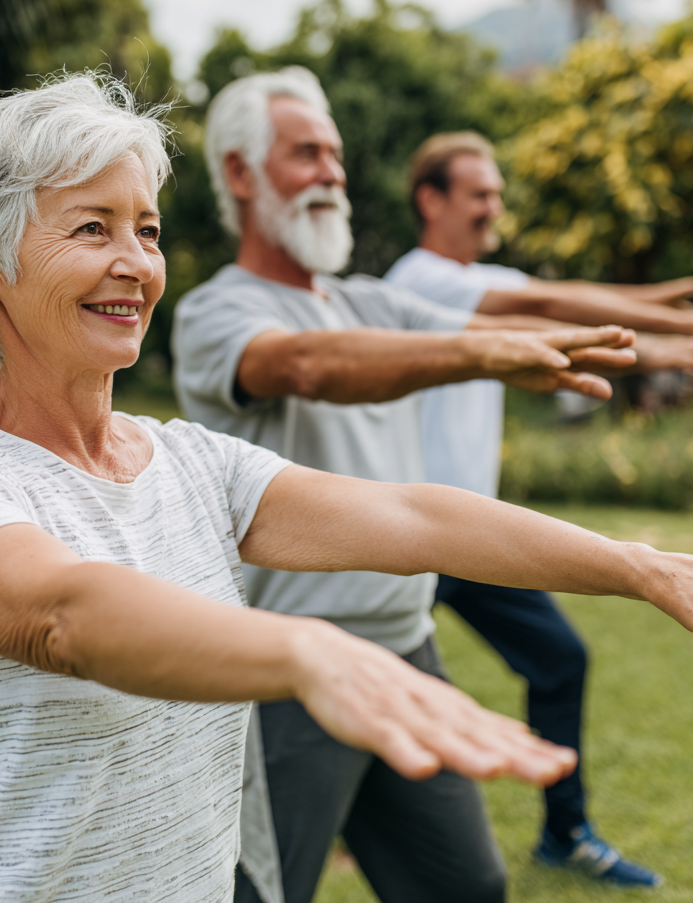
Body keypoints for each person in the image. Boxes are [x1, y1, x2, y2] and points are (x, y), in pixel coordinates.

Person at [0, 72, 693, 903]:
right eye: (92, 228)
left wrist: (643, 567)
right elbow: (64, 618)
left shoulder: (193, 464)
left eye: (146, 230)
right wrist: (309, 650)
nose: (136, 264)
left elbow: (411, 515)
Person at [170, 67, 651, 903]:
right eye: (307, 153)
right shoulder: (218, 311)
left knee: (465, 886)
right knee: (249, 896)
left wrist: (665, 335)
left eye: (337, 155)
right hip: (288, 668)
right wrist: (478, 352)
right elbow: (309, 366)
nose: (332, 172)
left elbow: (519, 327)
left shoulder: (370, 301)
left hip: (404, 648)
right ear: (241, 175)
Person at [385, 131, 693, 889]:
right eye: (479, 193)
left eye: (495, 193)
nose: (495, 206)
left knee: (560, 657)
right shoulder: (420, 280)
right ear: (432, 200)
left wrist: (672, 301)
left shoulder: (485, 280)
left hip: (473, 537)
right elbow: (549, 301)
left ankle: (566, 833)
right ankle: (340, 816)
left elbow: (591, 305)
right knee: (371, 684)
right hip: (399, 538)